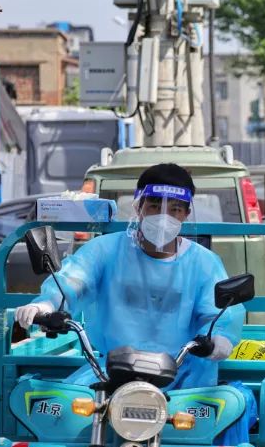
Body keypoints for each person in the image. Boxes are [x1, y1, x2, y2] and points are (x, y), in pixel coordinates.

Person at [14, 163, 244, 389]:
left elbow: (218, 315)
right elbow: (75, 280)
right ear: (139, 207)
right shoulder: (105, 250)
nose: (163, 217)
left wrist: (218, 340)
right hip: (114, 371)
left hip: (183, 377)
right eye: (154, 206)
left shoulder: (204, 263)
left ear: (186, 214)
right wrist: (47, 304)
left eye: (175, 209)